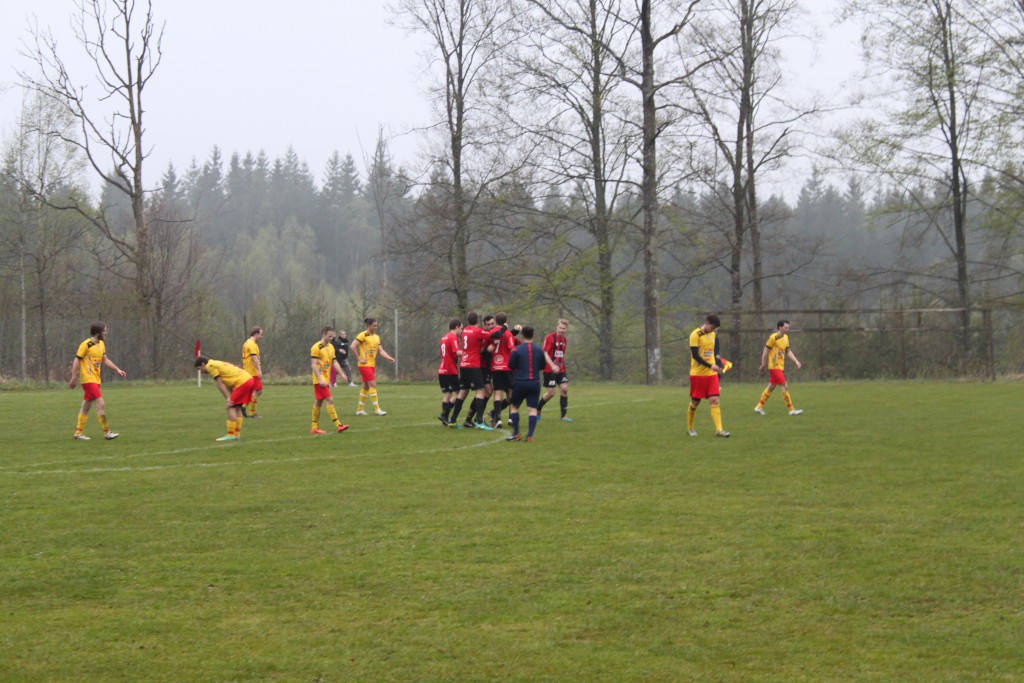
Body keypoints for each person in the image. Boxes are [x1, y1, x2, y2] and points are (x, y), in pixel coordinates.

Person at [69, 321, 126, 440]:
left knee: (86, 406)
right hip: (88, 379)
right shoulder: (86, 344)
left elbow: (105, 360)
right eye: (104, 330)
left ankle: (78, 432)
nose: (106, 332)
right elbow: (77, 360)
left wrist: (117, 369)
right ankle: (107, 432)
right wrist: (74, 377)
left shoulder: (101, 344)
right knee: (101, 403)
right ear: (98, 332)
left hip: (96, 379)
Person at [506, 326, 556, 443]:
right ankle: (530, 436)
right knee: (532, 409)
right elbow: (543, 366)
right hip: (534, 383)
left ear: (522, 335)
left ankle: (516, 433)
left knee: (514, 407)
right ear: (533, 336)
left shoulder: (516, 350)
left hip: (520, 382)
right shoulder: (539, 350)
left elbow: (511, 365)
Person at [448, 311, 494, 430]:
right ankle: (479, 421)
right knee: (480, 392)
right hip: (473, 365)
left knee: (463, 392)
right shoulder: (478, 331)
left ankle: (452, 420)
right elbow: (493, 335)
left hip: (463, 364)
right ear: (478, 322)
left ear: (468, 322)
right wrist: (504, 328)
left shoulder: (464, 332)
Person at [687, 314, 730, 438]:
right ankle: (690, 428)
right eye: (712, 327)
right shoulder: (695, 335)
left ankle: (719, 430)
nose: (713, 330)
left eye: (715, 328)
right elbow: (695, 355)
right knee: (695, 402)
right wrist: (710, 366)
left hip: (711, 375)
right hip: (697, 374)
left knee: (714, 399)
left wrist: (717, 364)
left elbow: (713, 352)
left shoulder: (713, 335)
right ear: (707, 323)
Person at [195, 355, 256, 441]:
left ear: (202, 364)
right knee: (237, 408)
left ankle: (231, 435)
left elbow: (220, 383)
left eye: (199, 369)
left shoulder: (210, 366)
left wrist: (228, 398)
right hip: (249, 380)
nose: (200, 372)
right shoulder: (216, 363)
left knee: (230, 407)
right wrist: (231, 396)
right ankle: (237, 435)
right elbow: (229, 383)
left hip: (243, 382)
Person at [754, 320, 804, 416]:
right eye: (786, 328)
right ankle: (791, 410)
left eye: (788, 328)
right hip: (774, 366)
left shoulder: (786, 337)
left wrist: (796, 361)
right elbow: (766, 350)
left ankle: (758, 407)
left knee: (771, 387)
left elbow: (788, 351)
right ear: (779, 327)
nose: (788, 329)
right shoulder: (773, 337)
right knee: (784, 386)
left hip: (780, 366)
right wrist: (763, 363)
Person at [310, 326, 351, 434]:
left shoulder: (331, 347)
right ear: (323, 334)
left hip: (325, 380)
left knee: (318, 402)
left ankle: (314, 427)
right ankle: (339, 425)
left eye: (333, 336)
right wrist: (320, 378)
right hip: (320, 380)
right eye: (329, 336)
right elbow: (313, 365)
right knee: (330, 400)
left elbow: (334, 362)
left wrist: (342, 373)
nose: (331, 338)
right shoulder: (316, 347)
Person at [351, 317, 396, 416]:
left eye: (376, 325)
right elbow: (353, 346)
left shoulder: (376, 337)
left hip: (372, 364)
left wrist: (389, 358)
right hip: (364, 365)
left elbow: (381, 351)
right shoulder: (362, 335)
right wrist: (359, 358)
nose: (376, 327)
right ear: (368, 325)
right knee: (373, 385)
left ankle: (359, 410)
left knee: (366, 386)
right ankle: (377, 409)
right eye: (374, 326)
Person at [538, 318, 572, 422]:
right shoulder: (550, 337)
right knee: (551, 393)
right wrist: (552, 365)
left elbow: (561, 355)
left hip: (561, 369)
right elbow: (544, 353)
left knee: (564, 389)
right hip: (550, 369)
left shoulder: (564, 340)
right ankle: (538, 408)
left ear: (566, 330)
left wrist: (559, 365)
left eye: (564, 328)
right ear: (557, 327)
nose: (562, 330)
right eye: (560, 327)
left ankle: (564, 416)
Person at [487, 312, 517, 428]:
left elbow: (489, 347)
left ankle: (498, 419)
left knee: (497, 392)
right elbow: (512, 349)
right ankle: (511, 418)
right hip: (507, 366)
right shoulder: (508, 333)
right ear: (505, 321)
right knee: (511, 392)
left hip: (495, 366)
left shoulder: (492, 332)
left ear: (496, 321)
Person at [438, 318, 463, 425]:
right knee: (460, 393)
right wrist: (469, 353)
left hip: (442, 369)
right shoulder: (453, 337)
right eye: (461, 328)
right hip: (450, 370)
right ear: (456, 327)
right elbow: (457, 352)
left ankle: (444, 419)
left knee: (448, 393)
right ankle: (444, 414)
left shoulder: (444, 337)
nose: (461, 331)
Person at [241, 326, 264, 418]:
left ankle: (244, 406)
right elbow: (254, 359)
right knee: (258, 390)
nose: (261, 336)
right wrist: (259, 371)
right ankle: (250, 412)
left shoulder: (248, 343)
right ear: (256, 333)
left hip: (248, 371)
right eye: (261, 334)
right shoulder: (251, 344)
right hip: (252, 371)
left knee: (256, 391)